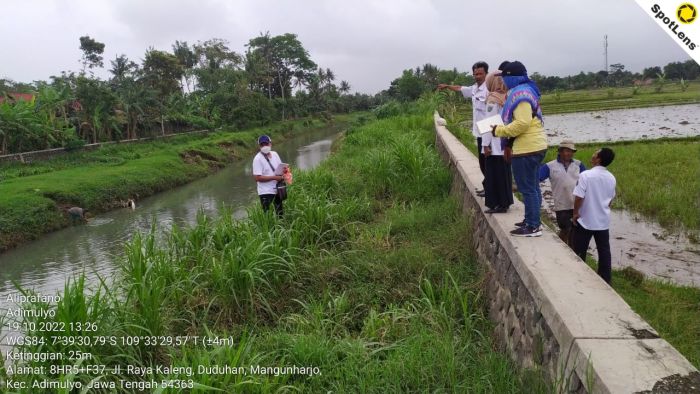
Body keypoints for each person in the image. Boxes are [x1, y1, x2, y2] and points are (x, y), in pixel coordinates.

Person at [492, 61, 547, 237]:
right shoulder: (527, 90)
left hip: (527, 149)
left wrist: (499, 131)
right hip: (535, 145)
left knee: (527, 188)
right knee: (533, 186)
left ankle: (533, 226)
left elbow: (522, 123)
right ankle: (532, 219)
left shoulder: (520, 94)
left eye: (504, 78)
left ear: (512, 78)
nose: (503, 82)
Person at [438, 61, 489, 195]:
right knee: (483, 162)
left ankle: (491, 189)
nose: (477, 76)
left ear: (486, 74)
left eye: (480, 73)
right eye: (475, 74)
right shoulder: (474, 89)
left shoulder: (489, 89)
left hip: (489, 133)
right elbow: (460, 88)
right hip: (479, 132)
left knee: (489, 163)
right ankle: (488, 186)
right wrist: (447, 86)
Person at [572, 147, 616, 284]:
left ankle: (579, 276)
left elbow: (579, 197)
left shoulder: (586, 175)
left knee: (579, 250)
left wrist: (575, 213)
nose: (592, 155)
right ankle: (605, 279)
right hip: (603, 221)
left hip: (586, 220)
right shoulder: (611, 177)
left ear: (598, 159)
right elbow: (610, 200)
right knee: (604, 251)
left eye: (595, 154)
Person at [539, 140, 586, 244]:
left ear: (573, 152)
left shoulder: (579, 165)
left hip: (577, 204)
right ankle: (562, 246)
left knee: (575, 231)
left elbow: (588, 182)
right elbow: (537, 178)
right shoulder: (550, 166)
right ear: (559, 151)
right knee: (566, 229)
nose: (566, 153)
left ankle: (571, 251)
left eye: (569, 151)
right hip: (561, 205)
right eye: (564, 151)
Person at [482, 71, 513, 213]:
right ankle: (505, 202)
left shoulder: (492, 99)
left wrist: (485, 144)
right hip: (506, 142)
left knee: (494, 175)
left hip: (494, 144)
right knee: (504, 174)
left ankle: (498, 204)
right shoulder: (508, 97)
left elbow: (489, 123)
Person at [252, 135, 285, 217]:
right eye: (262, 145)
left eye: (266, 144)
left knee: (280, 213)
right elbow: (257, 178)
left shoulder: (275, 154)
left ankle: (281, 227)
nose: (264, 146)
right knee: (268, 216)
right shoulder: (257, 159)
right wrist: (275, 177)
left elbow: (281, 168)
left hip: (277, 189)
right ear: (259, 146)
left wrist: (285, 173)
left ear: (270, 144)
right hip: (265, 192)